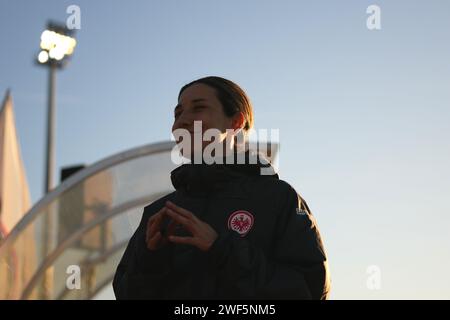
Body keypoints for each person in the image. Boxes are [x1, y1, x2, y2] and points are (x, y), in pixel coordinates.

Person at [113, 76, 330, 299]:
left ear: (235, 122)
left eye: (198, 108)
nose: (182, 121)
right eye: (178, 113)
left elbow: (309, 290)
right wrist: (149, 259)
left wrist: (222, 250)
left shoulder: (278, 198)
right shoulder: (160, 212)